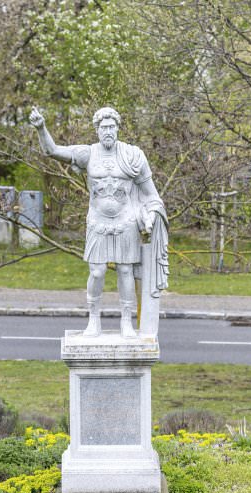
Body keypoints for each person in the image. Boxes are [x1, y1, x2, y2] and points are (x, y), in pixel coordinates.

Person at [30, 106, 168, 338]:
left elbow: (151, 194)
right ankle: (93, 319)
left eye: (112, 127)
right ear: (96, 130)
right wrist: (41, 127)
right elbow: (52, 151)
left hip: (126, 221)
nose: (108, 131)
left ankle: (126, 320)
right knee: (97, 272)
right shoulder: (88, 154)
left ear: (118, 128)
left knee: (125, 271)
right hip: (97, 221)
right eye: (103, 127)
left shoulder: (133, 156)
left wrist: (152, 213)